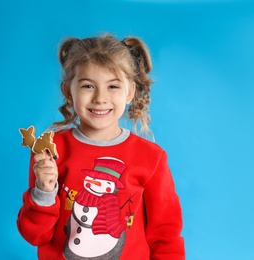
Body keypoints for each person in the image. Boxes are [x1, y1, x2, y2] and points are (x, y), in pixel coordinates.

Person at [17, 33, 185, 259]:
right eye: (88, 85)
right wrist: (44, 193)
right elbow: (35, 236)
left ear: (130, 92)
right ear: (68, 91)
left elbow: (166, 235)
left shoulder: (151, 157)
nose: (100, 98)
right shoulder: (50, 151)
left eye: (113, 86)